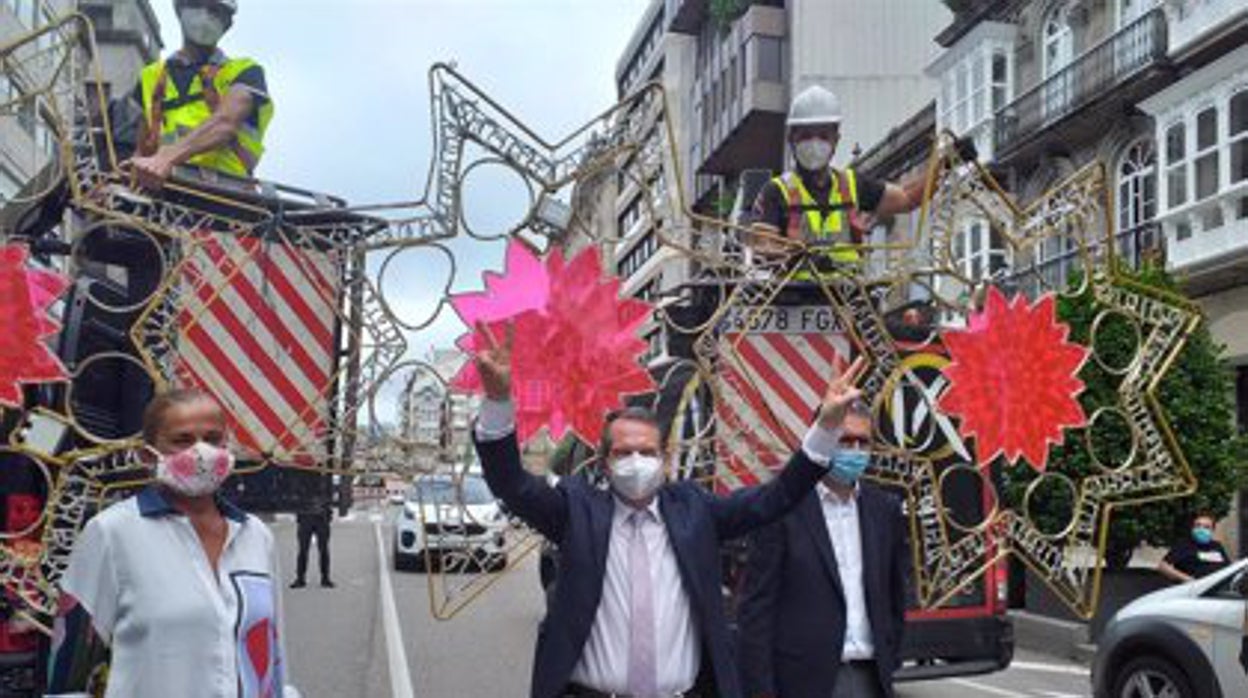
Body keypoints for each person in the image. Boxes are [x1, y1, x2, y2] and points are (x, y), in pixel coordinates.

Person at [471, 321, 867, 698]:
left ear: (665, 459)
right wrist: (498, 399)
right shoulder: (577, 510)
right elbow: (513, 485)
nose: (637, 461)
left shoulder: (695, 511)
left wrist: (827, 428)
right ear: (605, 463)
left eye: (647, 451)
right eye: (625, 452)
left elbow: (777, 497)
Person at [46, 388, 296, 698]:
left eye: (213, 439)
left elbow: (272, 655)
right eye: (182, 440)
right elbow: (70, 673)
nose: (201, 452)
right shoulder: (111, 534)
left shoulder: (256, 536)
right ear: (148, 455)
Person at [738, 402, 910, 698]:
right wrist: (761, 688)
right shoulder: (782, 508)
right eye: (844, 440)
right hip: (802, 680)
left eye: (862, 442)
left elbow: (895, 592)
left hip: (871, 675)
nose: (854, 450)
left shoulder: (884, 509)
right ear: (822, 439)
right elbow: (757, 607)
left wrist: (888, 654)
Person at [748, 85, 975, 265]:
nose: (814, 143)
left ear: (836, 140)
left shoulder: (852, 185)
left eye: (823, 135)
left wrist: (944, 165)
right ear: (792, 139)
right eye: (806, 135)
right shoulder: (777, 191)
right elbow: (762, 246)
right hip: (794, 306)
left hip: (850, 303)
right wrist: (798, 253)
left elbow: (908, 197)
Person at [127, 0, 273, 189]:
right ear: (179, 9)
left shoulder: (244, 71)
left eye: (215, 10)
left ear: (227, 25)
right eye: (198, 3)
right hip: (167, 193)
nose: (205, 15)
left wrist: (167, 157)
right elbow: (145, 148)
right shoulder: (150, 77)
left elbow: (225, 123)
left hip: (227, 198)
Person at [1158, 513, 1233, 583]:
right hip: (1193, 590)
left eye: (1206, 527)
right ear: (1192, 528)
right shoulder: (1184, 545)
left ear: (1212, 530)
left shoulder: (1217, 546)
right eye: (1198, 525)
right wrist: (1188, 579)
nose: (1201, 529)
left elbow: (1227, 568)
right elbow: (1163, 566)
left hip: (1215, 588)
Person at [291, 495, 334, 589]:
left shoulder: (322, 482)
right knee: (303, 549)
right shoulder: (303, 483)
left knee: (323, 549)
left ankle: (325, 578)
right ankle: (301, 578)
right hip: (307, 517)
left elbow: (329, 496)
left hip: (321, 517)